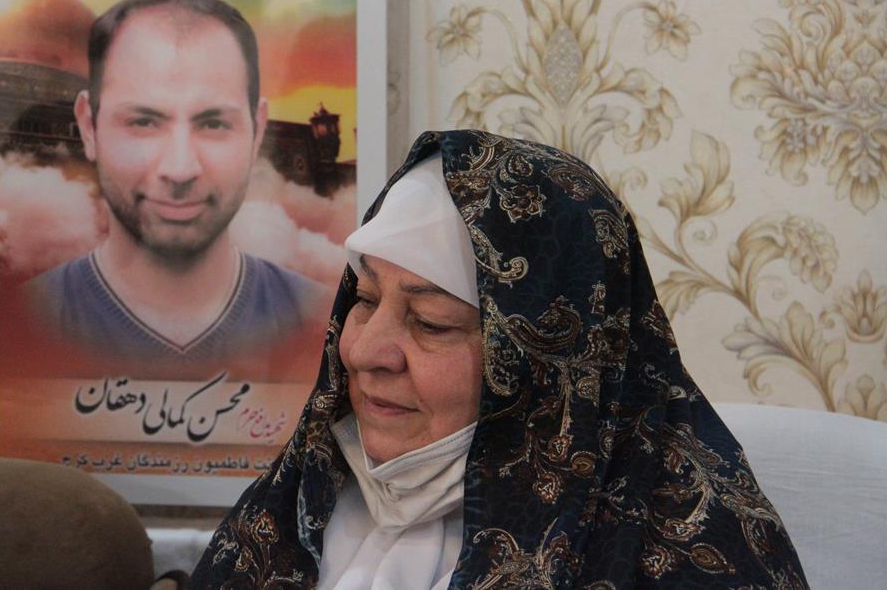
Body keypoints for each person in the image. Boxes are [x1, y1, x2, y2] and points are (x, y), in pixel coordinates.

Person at [190, 130, 808, 588]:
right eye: (365, 299)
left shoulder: (686, 552)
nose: (364, 352)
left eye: (431, 322)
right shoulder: (296, 509)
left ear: (548, 361)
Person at [22, 0, 325, 365]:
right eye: (143, 122)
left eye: (213, 124)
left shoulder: (323, 320)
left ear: (257, 132)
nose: (180, 170)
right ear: (88, 128)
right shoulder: (19, 321)